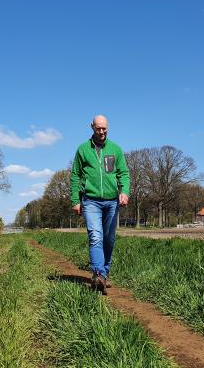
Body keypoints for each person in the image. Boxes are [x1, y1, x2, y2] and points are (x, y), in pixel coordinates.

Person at [71, 115, 130, 294]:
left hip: (112, 201)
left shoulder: (115, 149)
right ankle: (97, 274)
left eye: (104, 128)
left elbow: (124, 173)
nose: (102, 131)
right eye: (98, 128)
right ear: (92, 127)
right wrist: (75, 200)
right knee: (95, 236)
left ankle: (104, 275)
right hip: (91, 200)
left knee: (109, 239)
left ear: (108, 127)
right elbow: (75, 176)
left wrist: (124, 192)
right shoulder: (82, 150)